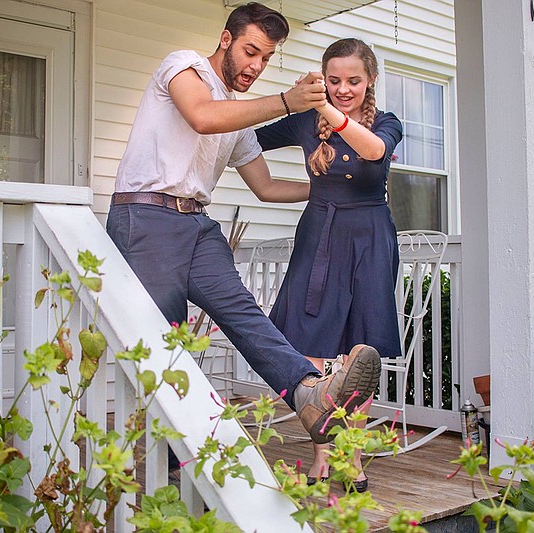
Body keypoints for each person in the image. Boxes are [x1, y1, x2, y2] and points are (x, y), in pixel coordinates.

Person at [105, 4, 383, 450]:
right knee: (166, 347)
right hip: (147, 219)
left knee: (246, 315)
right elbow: (202, 116)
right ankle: (178, 474)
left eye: (267, 58)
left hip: (196, 224)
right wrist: (287, 103)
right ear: (226, 39)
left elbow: (267, 186)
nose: (256, 66)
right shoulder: (184, 66)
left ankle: (307, 394)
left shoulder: (235, 118)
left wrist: (333, 187)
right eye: (251, 51)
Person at [255, 38, 403, 493]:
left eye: (353, 81)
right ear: (323, 78)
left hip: (369, 240)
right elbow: (246, 137)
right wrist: (288, 101)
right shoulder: (305, 121)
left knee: (363, 349)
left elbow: (374, 151)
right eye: (333, 81)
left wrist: (327, 111)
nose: (343, 89)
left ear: (371, 80)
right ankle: (322, 449)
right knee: (310, 340)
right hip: (319, 234)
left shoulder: (388, 123)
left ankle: (352, 452)